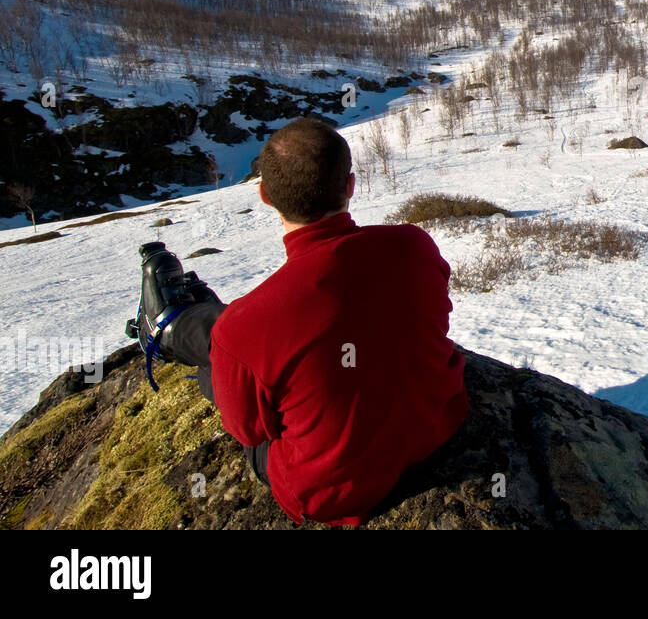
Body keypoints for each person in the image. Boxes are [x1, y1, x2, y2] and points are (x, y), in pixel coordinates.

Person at [142, 117, 469, 526]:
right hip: (437, 427)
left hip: (327, 491)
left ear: (264, 195)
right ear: (349, 186)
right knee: (243, 339)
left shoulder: (248, 325)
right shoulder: (414, 246)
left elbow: (250, 430)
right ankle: (184, 322)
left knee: (223, 355)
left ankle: (171, 326)